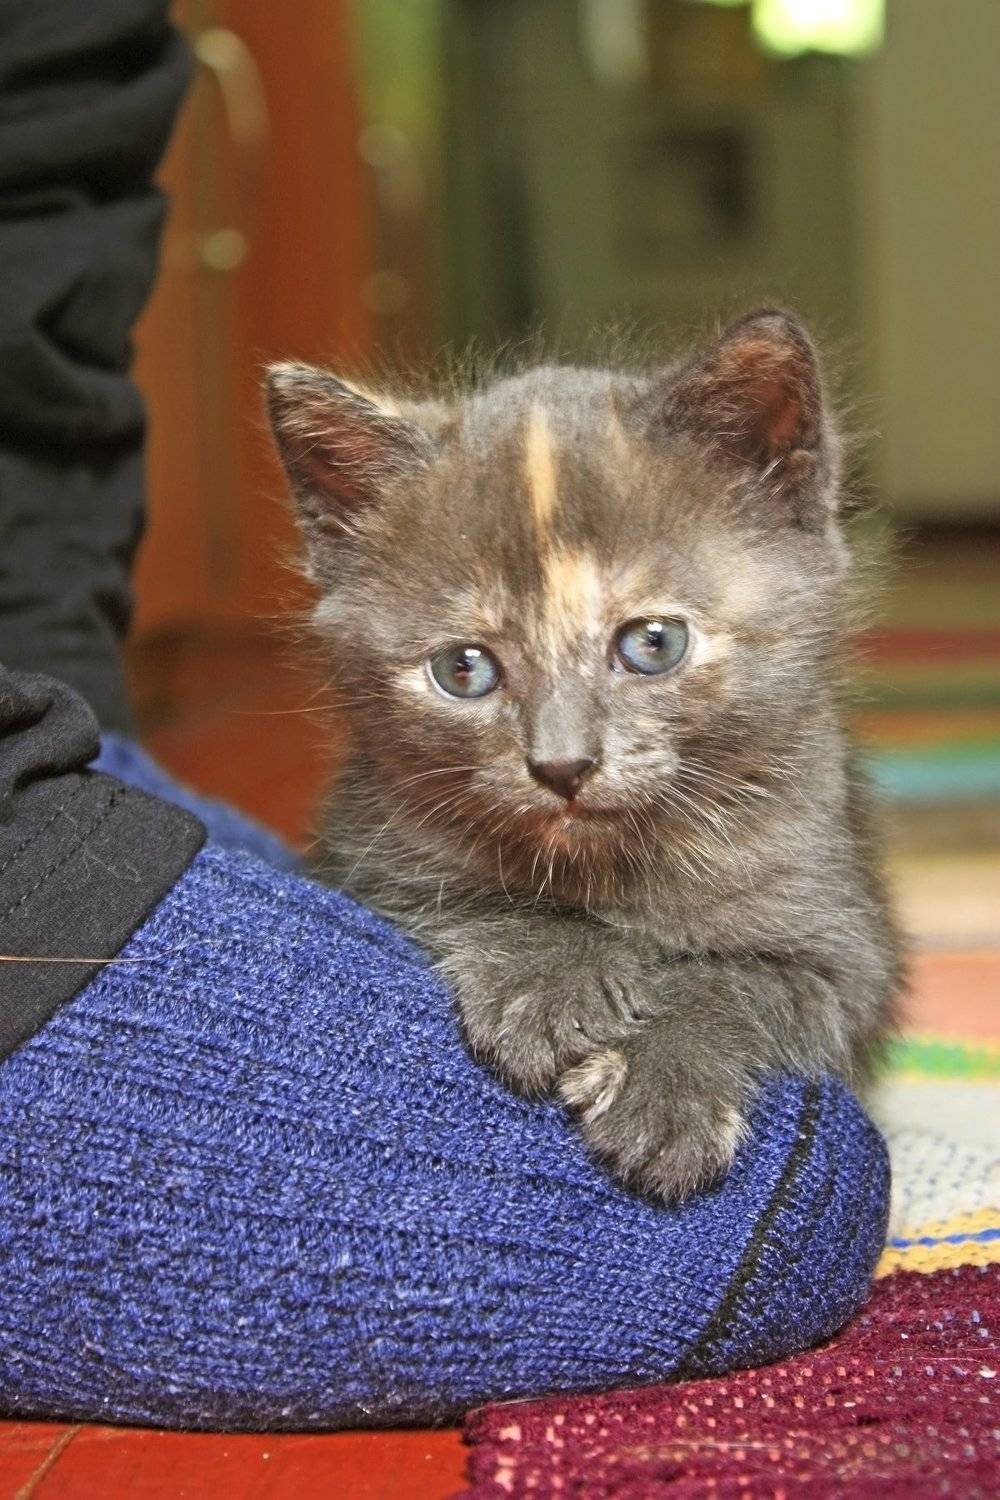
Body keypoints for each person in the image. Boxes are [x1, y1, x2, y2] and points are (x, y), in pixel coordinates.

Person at [0, 0, 888, 1430]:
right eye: (469, 671)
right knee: (777, 1202)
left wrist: (715, 1025)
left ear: (789, 500)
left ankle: (67, 744)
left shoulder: (769, 798)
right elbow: (380, 897)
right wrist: (499, 936)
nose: (561, 751)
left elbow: (833, 975)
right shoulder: (423, 815)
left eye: (650, 646)